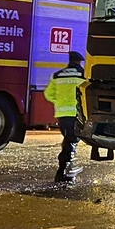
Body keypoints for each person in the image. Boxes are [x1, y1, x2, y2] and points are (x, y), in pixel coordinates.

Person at [44, 51, 87, 183]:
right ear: (79, 62)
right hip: (76, 114)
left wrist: (60, 101)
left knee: (69, 140)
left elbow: (48, 94)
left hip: (62, 114)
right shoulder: (83, 75)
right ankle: (63, 171)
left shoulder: (57, 75)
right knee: (71, 141)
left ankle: (67, 168)